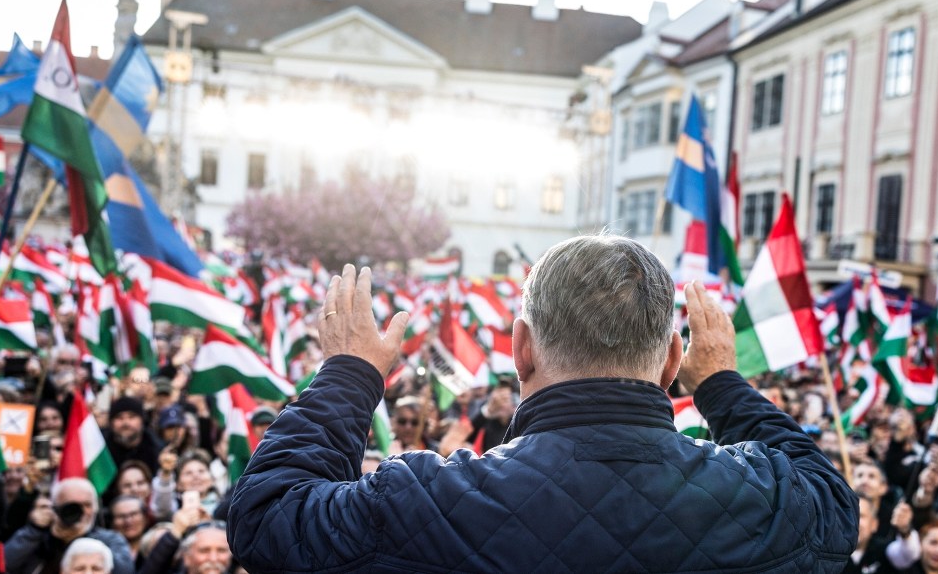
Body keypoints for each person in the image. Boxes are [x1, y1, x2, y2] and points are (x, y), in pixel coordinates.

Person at [230, 239, 858, 571]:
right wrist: (721, 381)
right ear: (673, 360)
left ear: (520, 349)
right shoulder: (770, 503)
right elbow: (833, 502)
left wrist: (349, 373)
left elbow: (266, 520)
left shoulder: (428, 501)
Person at [4, 478, 134, 574]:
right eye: (72, 505)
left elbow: (126, 571)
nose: (81, 512)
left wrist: (85, 539)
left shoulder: (110, 540)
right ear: (55, 508)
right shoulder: (39, 536)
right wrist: (34, 531)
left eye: (87, 505)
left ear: (95, 509)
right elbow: (5, 564)